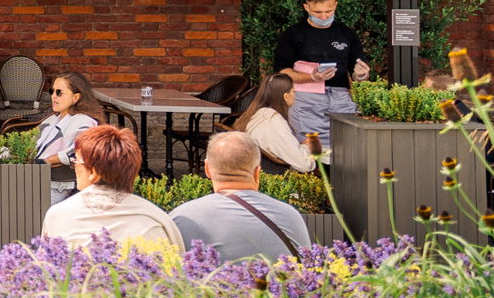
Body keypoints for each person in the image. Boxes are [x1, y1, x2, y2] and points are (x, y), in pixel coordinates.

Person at [170, 129, 311, 264]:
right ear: (257, 172)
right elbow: (306, 273)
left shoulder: (182, 216)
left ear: (207, 169)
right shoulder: (291, 216)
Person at [40, 124, 185, 254]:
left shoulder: (59, 214)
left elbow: (43, 272)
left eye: (76, 161)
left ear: (93, 173)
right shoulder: (157, 219)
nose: (74, 167)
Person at [271, 0, 371, 147]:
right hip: (306, 99)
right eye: (317, 12)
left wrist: (361, 74)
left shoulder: (347, 33)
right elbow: (282, 71)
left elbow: (358, 71)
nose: (324, 17)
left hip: (341, 97)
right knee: (311, 149)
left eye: (328, 11)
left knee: (348, 146)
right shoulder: (293, 34)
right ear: (306, 8)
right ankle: (314, 174)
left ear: (335, 5)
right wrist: (312, 76)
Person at [237, 71, 320, 174]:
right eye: (294, 91)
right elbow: (305, 165)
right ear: (286, 96)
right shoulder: (273, 121)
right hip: (276, 179)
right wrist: (307, 146)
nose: (295, 95)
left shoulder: (258, 114)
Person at [34, 72, 107, 166]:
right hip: (34, 172)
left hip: (54, 177)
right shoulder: (53, 118)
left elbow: (84, 151)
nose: (53, 96)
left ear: (76, 97)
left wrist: (49, 160)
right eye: (52, 91)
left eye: (59, 92)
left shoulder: (84, 121)